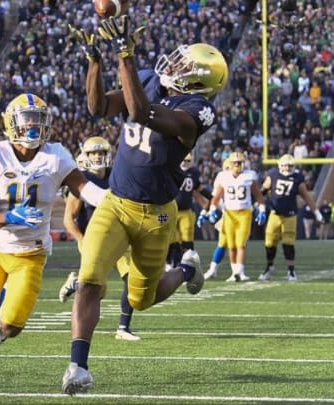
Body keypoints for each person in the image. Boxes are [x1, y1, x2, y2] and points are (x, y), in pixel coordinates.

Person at [63, 17, 226, 395]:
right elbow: (100, 106)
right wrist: (94, 59)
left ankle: (186, 271)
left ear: (199, 80)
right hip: (116, 204)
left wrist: (125, 56)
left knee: (142, 297)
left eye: (185, 66)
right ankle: (78, 367)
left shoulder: (198, 111)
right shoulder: (154, 81)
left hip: (157, 215)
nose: (175, 66)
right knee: (89, 280)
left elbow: (140, 113)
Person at [0, 93, 107, 404]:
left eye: (39, 120)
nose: (33, 127)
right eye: (27, 120)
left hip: (31, 255)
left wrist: (119, 202)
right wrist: (8, 217)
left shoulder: (56, 157)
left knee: (11, 327)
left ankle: (2, 322)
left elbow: (86, 189)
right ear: (11, 124)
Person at [59, 136, 141, 341]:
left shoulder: (116, 177)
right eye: (93, 153)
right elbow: (68, 219)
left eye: (101, 153)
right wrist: (82, 239)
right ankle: (77, 282)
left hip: (119, 238)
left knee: (132, 279)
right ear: (85, 156)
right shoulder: (81, 180)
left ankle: (123, 328)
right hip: (93, 240)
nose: (97, 156)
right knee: (97, 290)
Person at [201, 152, 265, 282]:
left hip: (244, 213)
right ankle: (234, 272)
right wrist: (212, 210)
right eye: (235, 163)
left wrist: (262, 210)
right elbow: (215, 198)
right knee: (230, 245)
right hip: (229, 214)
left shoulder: (249, 176)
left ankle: (240, 272)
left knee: (240, 244)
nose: (237, 165)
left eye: (240, 163)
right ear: (230, 164)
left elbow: (259, 196)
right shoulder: (224, 177)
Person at [258, 154, 323, 282]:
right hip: (274, 214)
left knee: (288, 244)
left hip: (290, 215)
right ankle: (269, 266)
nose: (287, 168)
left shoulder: (297, 178)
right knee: (269, 243)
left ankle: (291, 271)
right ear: (280, 166)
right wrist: (258, 205)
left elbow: (306, 196)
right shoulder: (273, 174)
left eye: (289, 165)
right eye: (285, 165)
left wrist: (316, 212)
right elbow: (263, 191)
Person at [166, 153, 212, 269]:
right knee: (171, 239)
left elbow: (199, 188)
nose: (183, 163)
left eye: (187, 161)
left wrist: (212, 197)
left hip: (186, 210)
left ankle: (189, 265)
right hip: (171, 211)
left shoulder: (194, 173)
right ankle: (171, 263)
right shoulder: (172, 170)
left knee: (187, 239)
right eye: (182, 160)